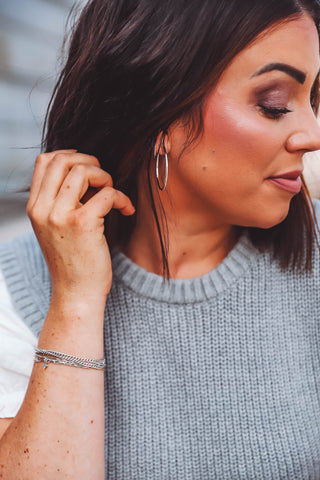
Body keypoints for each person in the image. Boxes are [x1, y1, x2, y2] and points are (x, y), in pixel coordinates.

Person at [0, 0, 320, 478]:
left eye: (314, 100)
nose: (312, 133)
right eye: (274, 104)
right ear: (159, 115)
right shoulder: (16, 292)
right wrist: (76, 301)